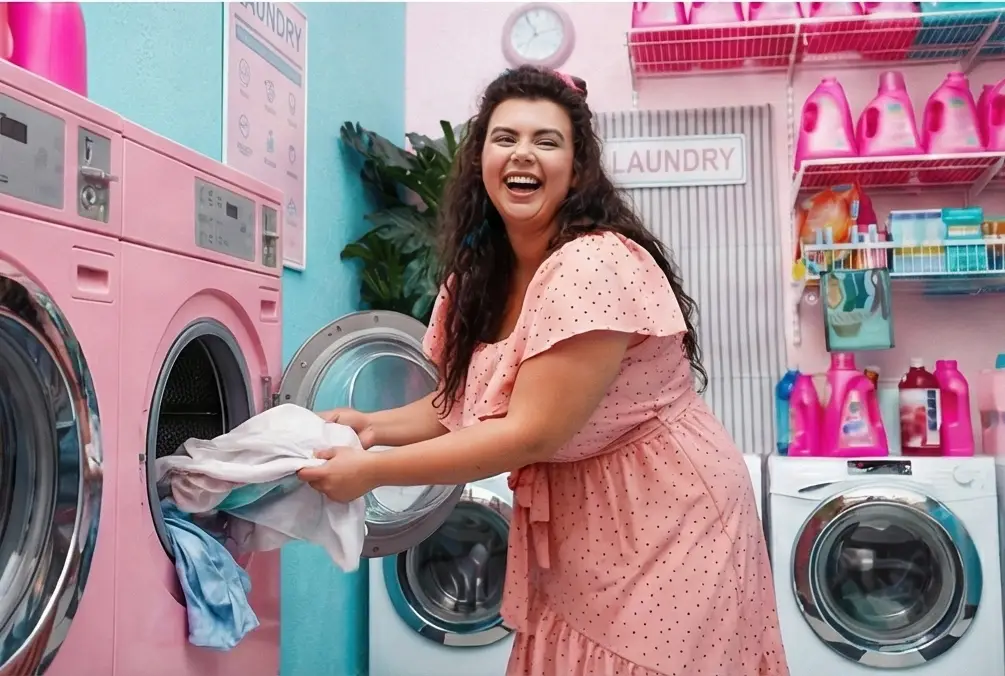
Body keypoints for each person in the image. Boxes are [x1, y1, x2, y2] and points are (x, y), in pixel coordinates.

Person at [297, 65, 789, 676]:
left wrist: (370, 471)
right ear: (481, 159)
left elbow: (528, 432)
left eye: (546, 140)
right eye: (505, 138)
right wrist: (372, 426)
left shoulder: (591, 265)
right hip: (585, 518)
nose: (522, 153)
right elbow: (466, 402)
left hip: (668, 508)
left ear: (577, 169)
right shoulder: (480, 277)